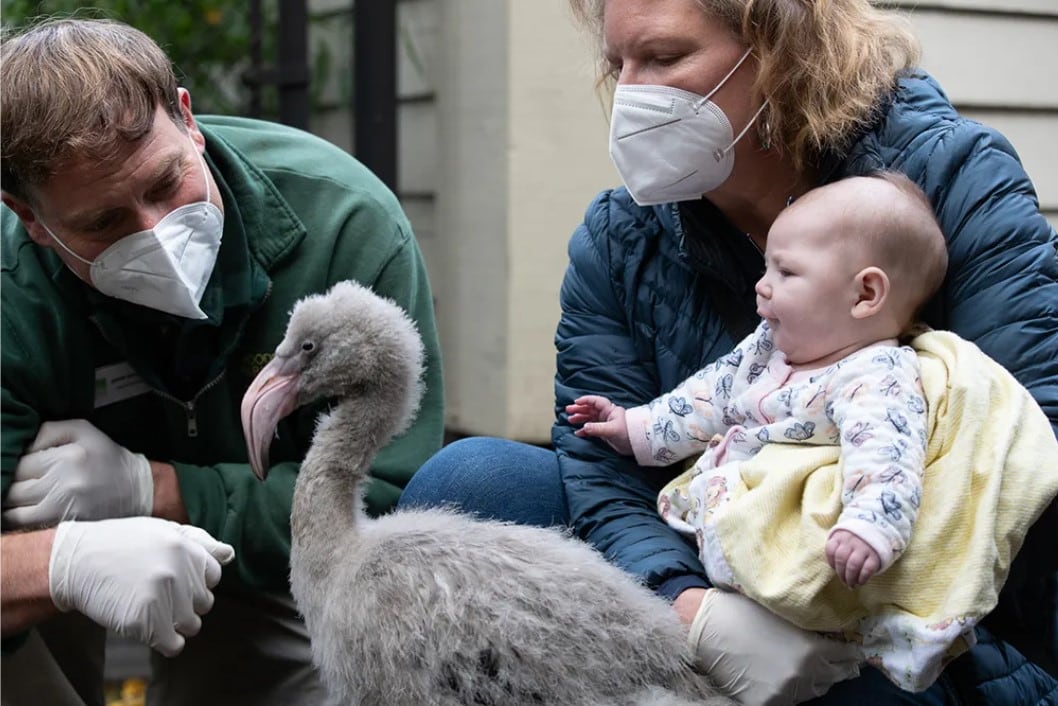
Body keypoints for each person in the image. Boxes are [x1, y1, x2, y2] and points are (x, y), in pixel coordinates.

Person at [398, 0, 1058, 704]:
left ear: (782, 51)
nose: (631, 95)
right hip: (700, 547)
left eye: (664, 58)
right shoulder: (621, 236)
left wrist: (818, 577)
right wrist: (688, 609)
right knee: (473, 486)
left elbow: (1022, 447)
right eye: (617, 64)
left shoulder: (948, 177)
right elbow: (598, 459)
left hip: (892, 600)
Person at [0, 17, 444, 706]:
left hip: (269, 580)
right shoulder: (8, 291)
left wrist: (160, 493)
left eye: (166, 182)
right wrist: (58, 565)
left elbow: (385, 496)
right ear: (28, 217)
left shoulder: (343, 225)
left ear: (186, 119)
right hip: (50, 609)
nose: (155, 235)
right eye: (102, 224)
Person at [567, 172, 1058, 692]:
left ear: (865, 293)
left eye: (786, 270)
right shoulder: (767, 350)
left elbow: (886, 457)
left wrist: (870, 528)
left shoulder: (877, 376)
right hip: (714, 545)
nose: (763, 284)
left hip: (824, 558)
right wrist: (634, 427)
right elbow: (707, 399)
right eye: (766, 266)